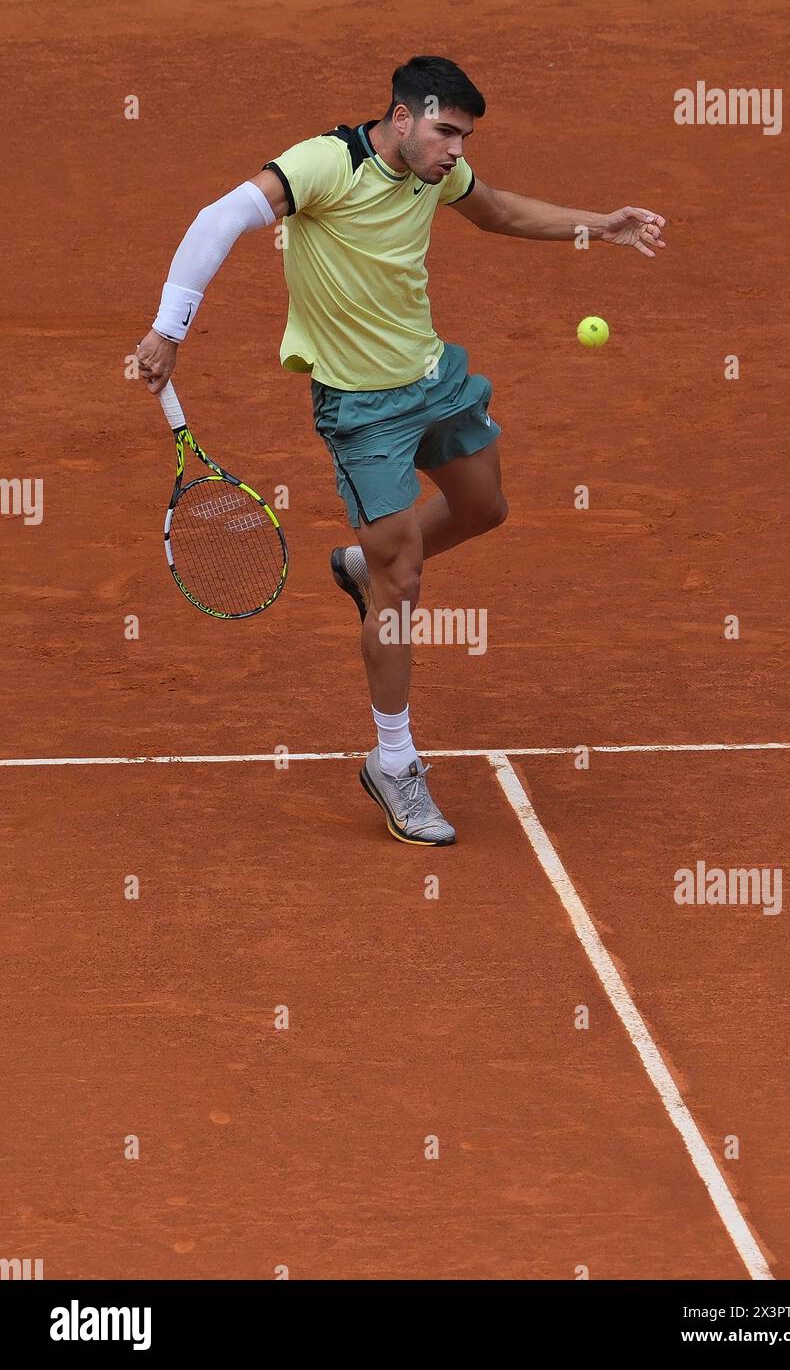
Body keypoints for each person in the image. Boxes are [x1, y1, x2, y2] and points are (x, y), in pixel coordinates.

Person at [135, 55, 666, 847]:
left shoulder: (434, 175)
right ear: (404, 115)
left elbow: (499, 213)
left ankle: (360, 565)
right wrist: (167, 332)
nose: (456, 149)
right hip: (361, 412)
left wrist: (601, 224)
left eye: (465, 136)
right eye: (447, 131)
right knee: (403, 573)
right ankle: (394, 761)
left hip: (432, 378)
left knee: (485, 506)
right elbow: (220, 218)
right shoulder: (325, 164)